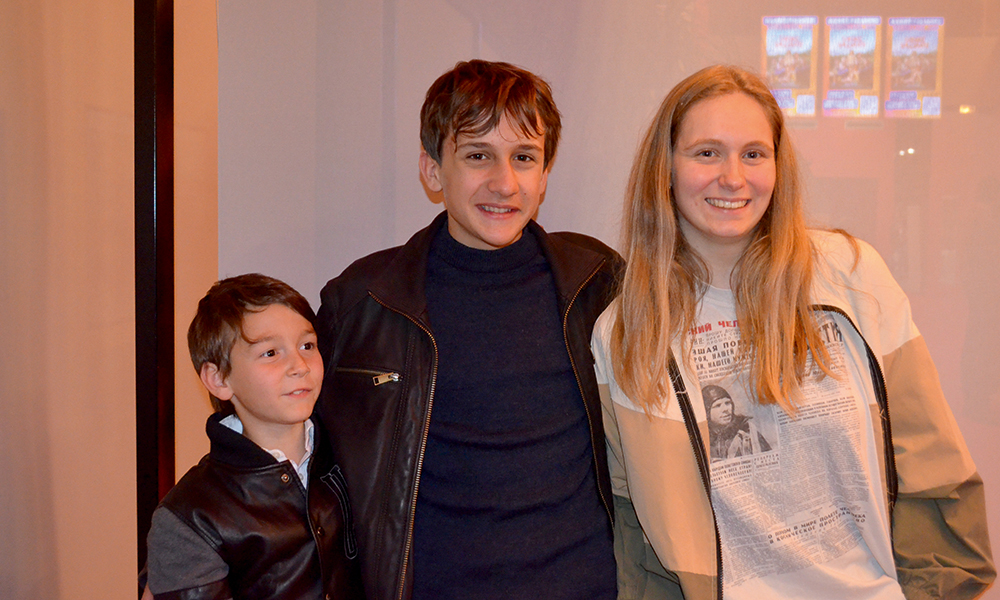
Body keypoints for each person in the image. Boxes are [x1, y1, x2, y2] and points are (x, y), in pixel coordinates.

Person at [592, 65, 995, 599]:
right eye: (707, 152)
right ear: (665, 167)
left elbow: (931, 463)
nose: (732, 177)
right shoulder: (627, 332)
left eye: (753, 154)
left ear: (778, 167)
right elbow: (636, 538)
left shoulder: (850, 274)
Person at [315, 60, 621, 599]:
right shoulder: (364, 301)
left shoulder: (597, 285)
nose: (504, 183)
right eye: (478, 156)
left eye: (524, 157)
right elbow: (294, 452)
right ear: (433, 171)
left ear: (545, 173)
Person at [144, 274, 363, 599]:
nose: (300, 365)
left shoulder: (353, 455)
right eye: (271, 353)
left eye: (307, 345)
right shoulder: (193, 514)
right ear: (219, 379)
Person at [702, 384, 771, 461]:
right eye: (718, 405)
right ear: (707, 411)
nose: (725, 409)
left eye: (727, 403)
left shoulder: (748, 431)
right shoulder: (703, 437)